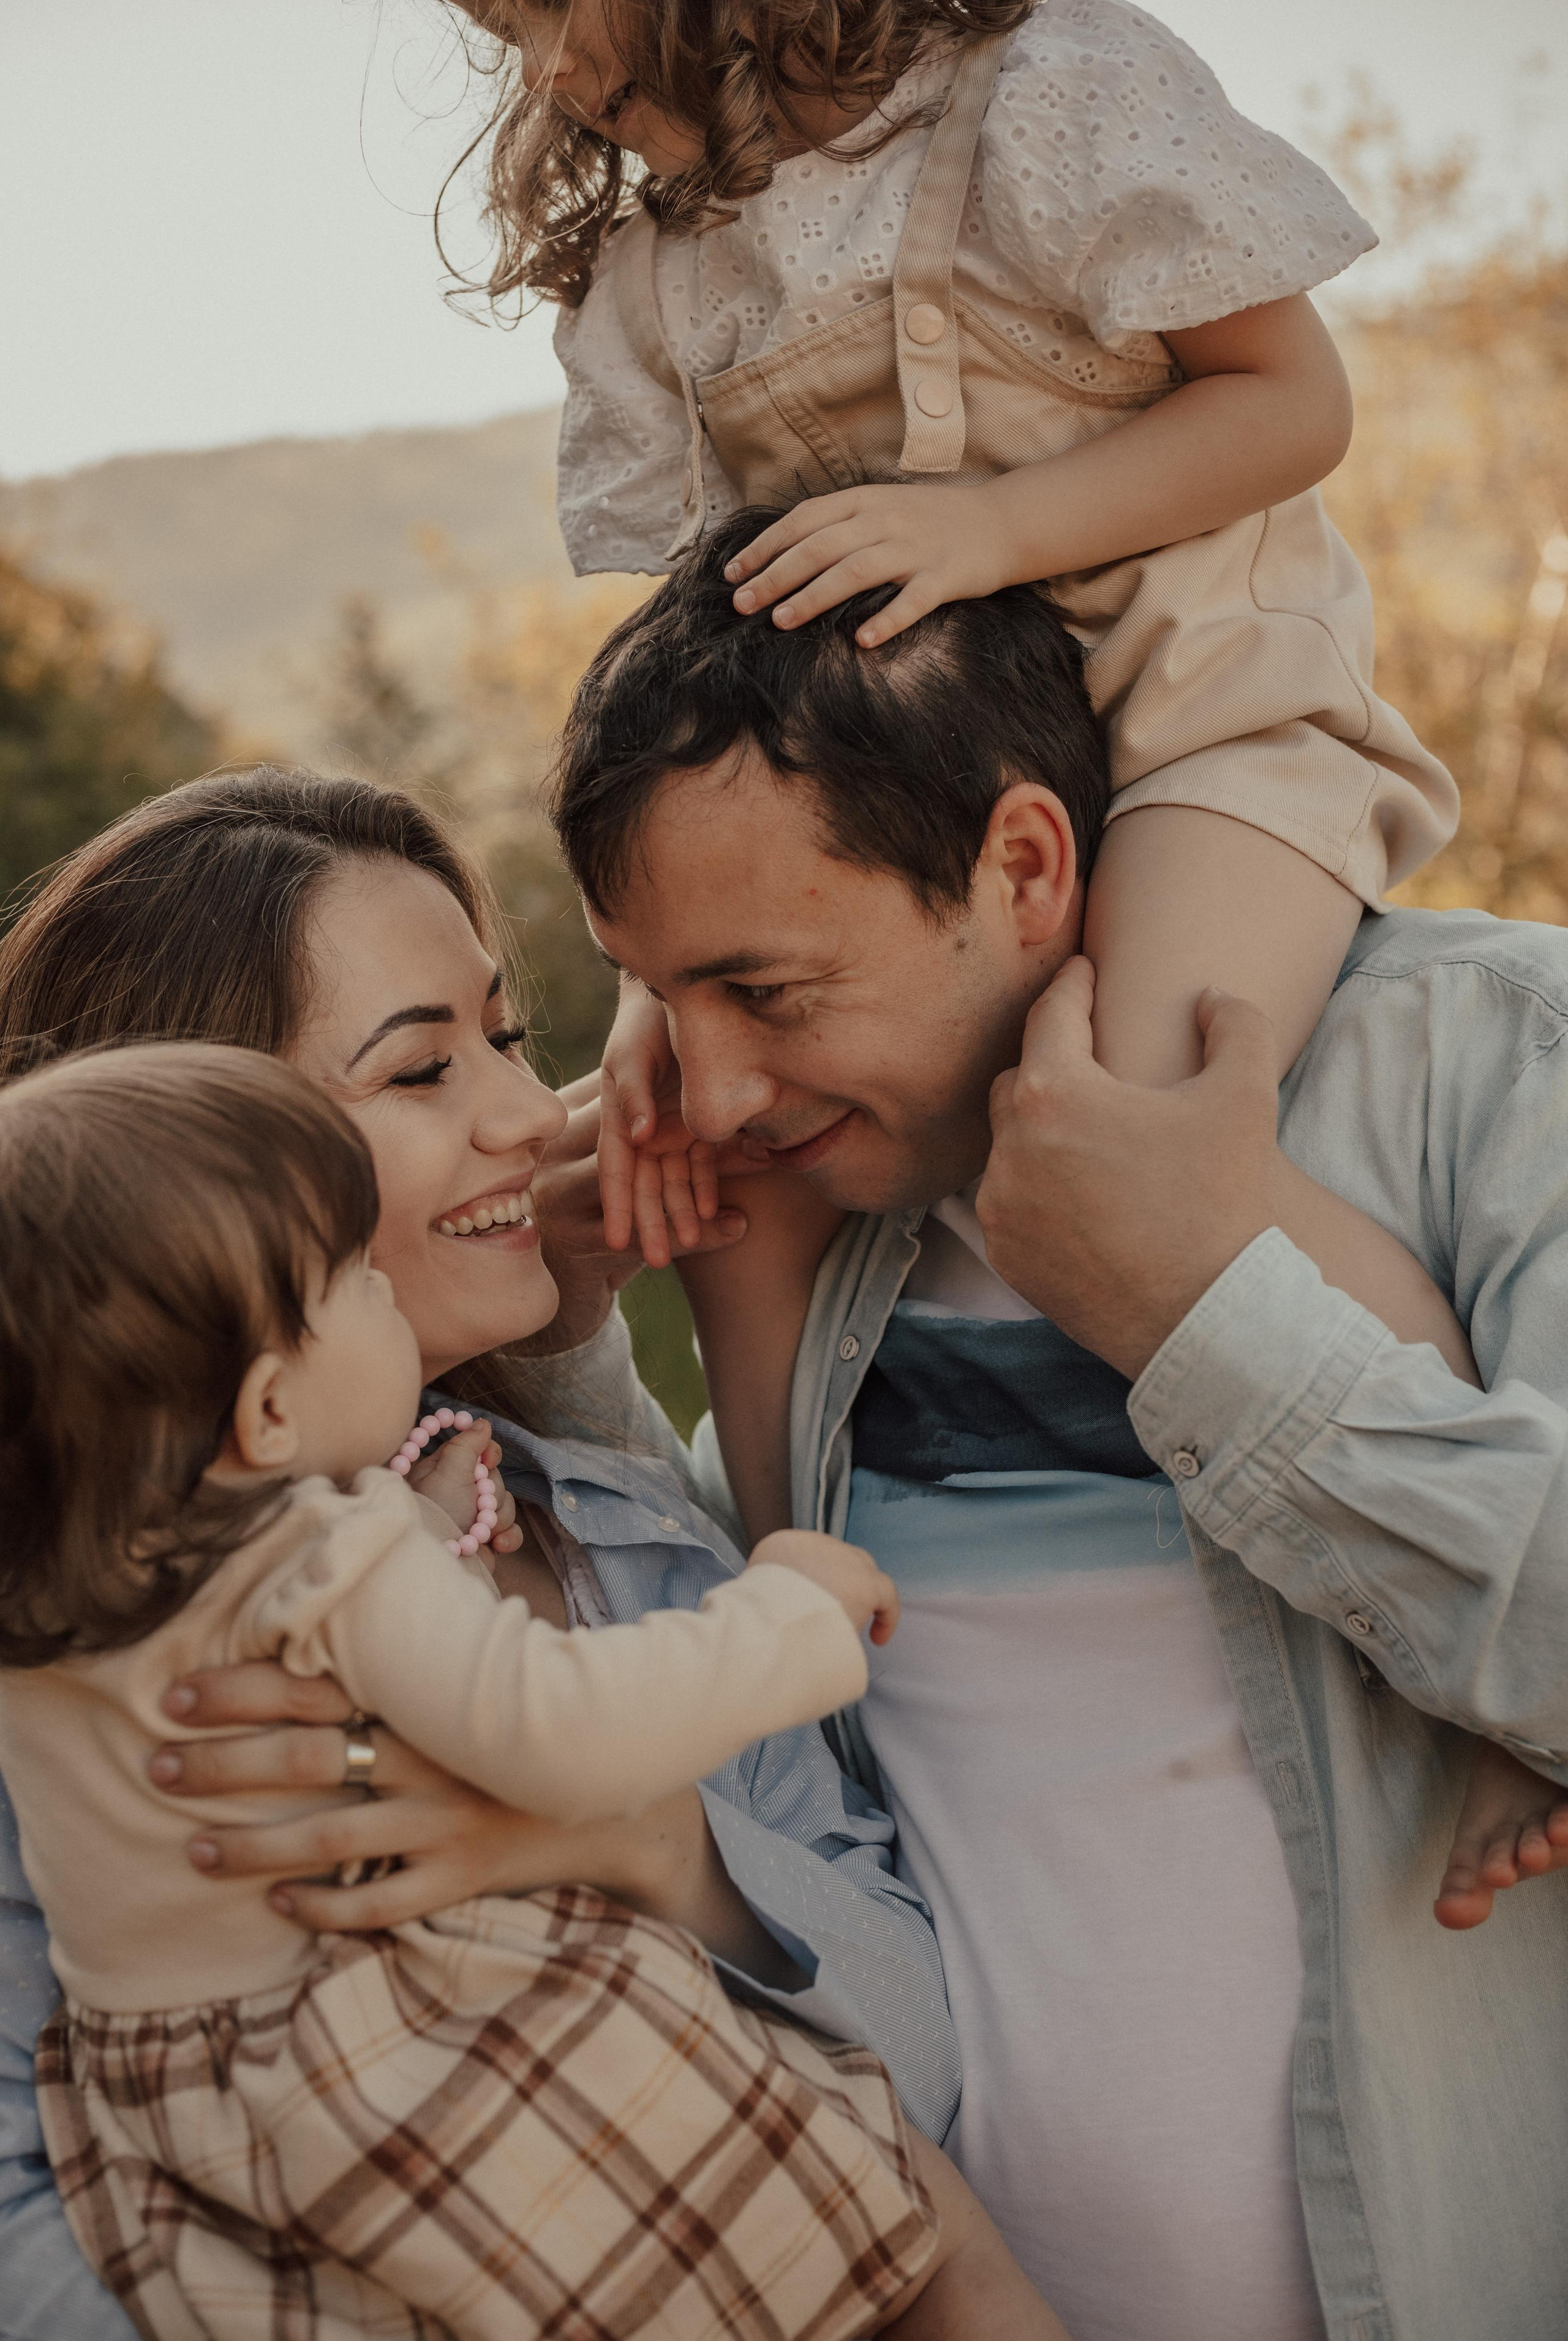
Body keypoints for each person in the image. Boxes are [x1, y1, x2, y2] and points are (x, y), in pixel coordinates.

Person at [548, 536, 1568, 2341]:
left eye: (767, 991)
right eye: (662, 998)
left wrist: (1194, 1303)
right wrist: (553, 1326)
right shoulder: (836, 1230)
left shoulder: (1493, 1062)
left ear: (1023, 863)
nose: (707, 1091)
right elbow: (763, 1749)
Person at [0, 771, 1051, 2341]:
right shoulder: (84, 1647)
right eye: (422, 1068)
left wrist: (651, 1844)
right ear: (176, 1188)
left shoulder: (612, 1533)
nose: (518, 1114)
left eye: (504, 1038)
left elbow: (929, 2055)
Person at [442, 0, 1470, 1401]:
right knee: (707, 1164)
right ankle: (789, 1568)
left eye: (549, 7)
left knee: (1123, 1124)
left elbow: (1293, 404)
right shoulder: (670, 265)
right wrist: (674, 986)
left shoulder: (1046, 102)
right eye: (506, 37)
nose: (547, 70)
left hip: (1202, 722)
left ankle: (1445, 1453)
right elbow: (724, 668)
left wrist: (997, 527)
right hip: (888, 815)